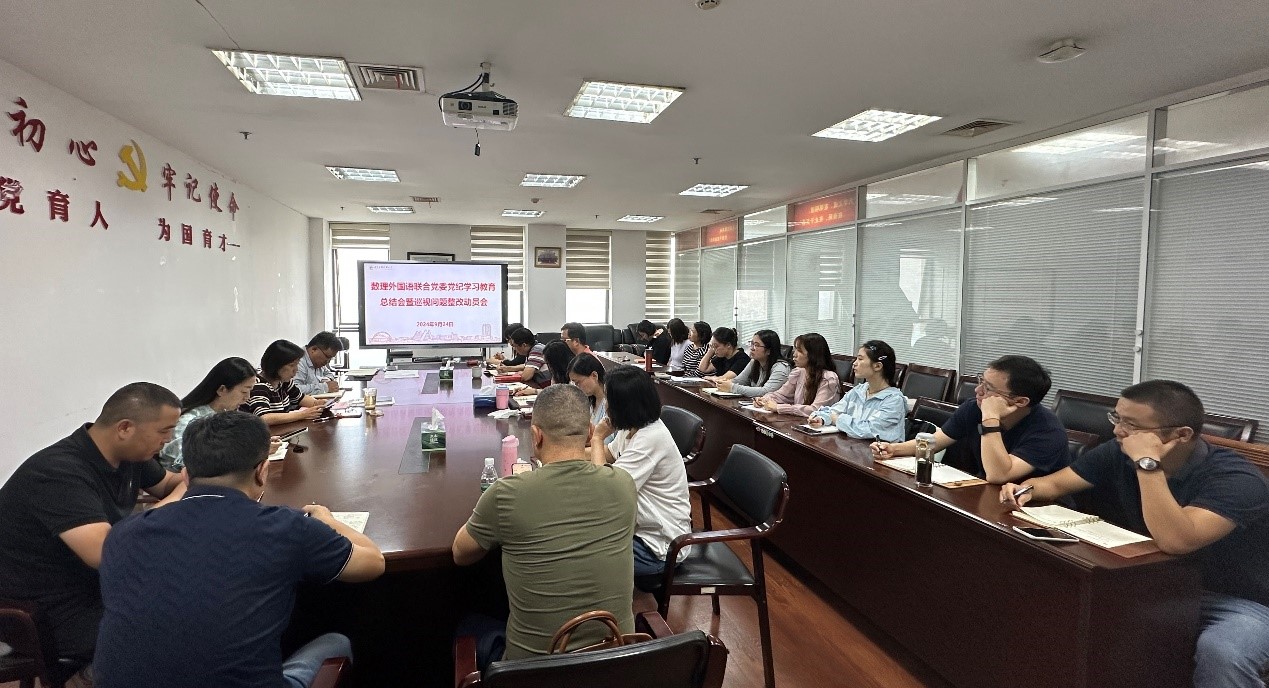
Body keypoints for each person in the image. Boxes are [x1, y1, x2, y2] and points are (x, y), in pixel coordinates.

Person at [999, 381, 1269, 688]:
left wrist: (1147, 465)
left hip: (1237, 599)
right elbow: (1055, 485)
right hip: (1155, 583)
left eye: (1132, 426)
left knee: (1223, 652)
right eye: (1117, 418)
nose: (1118, 431)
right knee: (1059, 607)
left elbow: (1177, 541)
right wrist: (1025, 489)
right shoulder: (1118, 452)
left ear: (1181, 435)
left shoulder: (1236, 479)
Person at [93, 411, 386, 688]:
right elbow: (373, 563)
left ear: (185, 477)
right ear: (262, 471)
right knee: (336, 641)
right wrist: (327, 519)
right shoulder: (285, 527)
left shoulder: (123, 534)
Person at [0, 383, 187, 677]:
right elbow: (104, 552)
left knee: (193, 600)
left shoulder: (129, 456)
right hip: (44, 611)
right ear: (125, 428)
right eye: (164, 431)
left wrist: (197, 478)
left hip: (95, 587)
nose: (169, 439)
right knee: (176, 629)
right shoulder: (57, 472)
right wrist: (183, 491)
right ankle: (88, 677)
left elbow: (168, 484)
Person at [452, 384, 637, 668]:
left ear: (536, 435)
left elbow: (460, 554)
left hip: (533, 673)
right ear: (590, 432)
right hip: (616, 665)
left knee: (466, 623)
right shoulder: (624, 485)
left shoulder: (506, 493)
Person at [872, 354, 1068, 483]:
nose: (978, 390)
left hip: (1034, 509)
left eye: (988, 388)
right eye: (981, 381)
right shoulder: (974, 408)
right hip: (986, 493)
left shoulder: (1048, 431)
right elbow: (936, 441)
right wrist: (894, 449)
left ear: (1020, 401)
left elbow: (998, 475)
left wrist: (990, 418)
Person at [591, 366, 691, 578]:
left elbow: (605, 489)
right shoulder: (633, 426)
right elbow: (608, 454)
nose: (606, 405)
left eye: (609, 400)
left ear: (624, 405)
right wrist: (564, 455)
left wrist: (597, 438)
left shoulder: (650, 438)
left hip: (658, 548)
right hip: (639, 530)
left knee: (582, 553)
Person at [160, 356, 259, 472]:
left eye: (250, 391)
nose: (248, 397)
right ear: (222, 390)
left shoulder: (227, 414)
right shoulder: (190, 421)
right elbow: (185, 461)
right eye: (244, 391)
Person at [809, 340, 907, 441]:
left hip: (875, 450)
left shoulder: (894, 400)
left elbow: (866, 430)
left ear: (877, 366)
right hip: (851, 447)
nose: (854, 363)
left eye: (860, 359)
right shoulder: (859, 391)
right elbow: (833, 411)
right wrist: (822, 418)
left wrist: (837, 419)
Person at [241, 340, 326, 427]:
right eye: (292, 365)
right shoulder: (258, 385)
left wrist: (318, 403)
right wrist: (302, 415)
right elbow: (264, 418)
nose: (296, 370)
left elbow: (300, 398)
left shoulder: (284, 381)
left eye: (297, 365)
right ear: (276, 365)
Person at [754, 333, 841, 417]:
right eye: (795, 349)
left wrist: (779, 408)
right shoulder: (799, 372)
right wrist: (765, 400)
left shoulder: (828, 378)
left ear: (813, 354)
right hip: (799, 421)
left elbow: (816, 410)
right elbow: (782, 395)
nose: (794, 354)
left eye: (799, 351)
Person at [715, 329, 791, 398]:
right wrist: (723, 383)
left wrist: (732, 387)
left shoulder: (781, 368)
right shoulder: (754, 362)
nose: (751, 348)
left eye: (756, 345)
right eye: (751, 344)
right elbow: (740, 381)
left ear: (769, 350)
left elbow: (765, 392)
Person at [568, 353, 614, 444]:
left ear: (594, 375)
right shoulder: (589, 401)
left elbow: (608, 441)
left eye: (578, 382)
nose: (577, 387)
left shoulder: (611, 402)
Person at [293, 331, 344, 396]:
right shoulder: (298, 361)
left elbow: (329, 374)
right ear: (314, 349)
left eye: (331, 358)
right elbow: (294, 390)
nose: (328, 361)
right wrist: (325, 387)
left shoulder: (318, 362)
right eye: (327, 357)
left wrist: (327, 379)